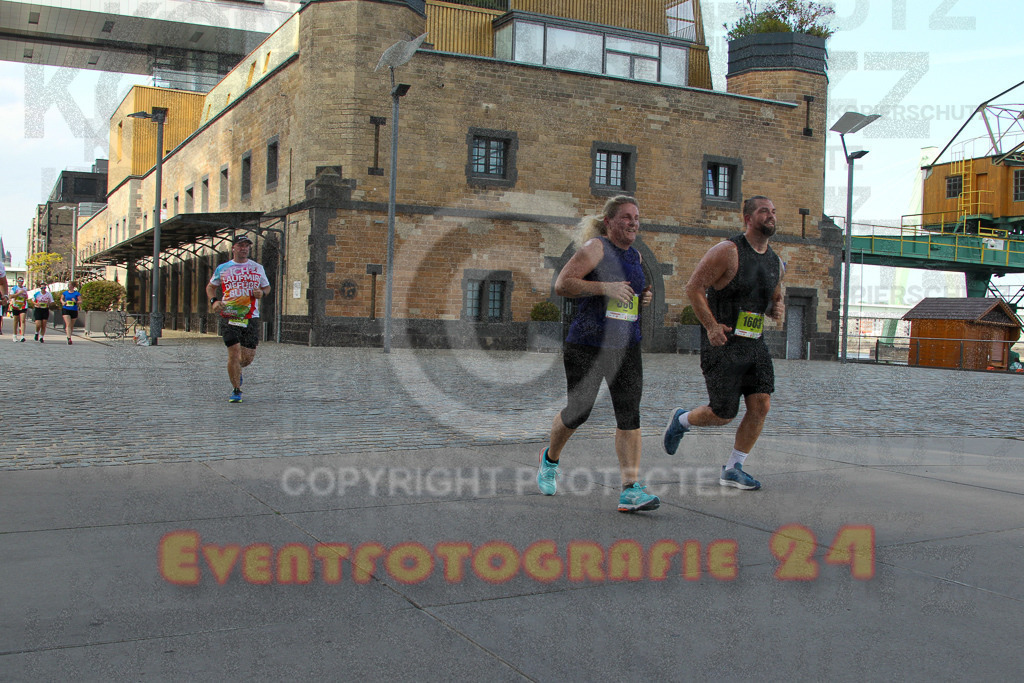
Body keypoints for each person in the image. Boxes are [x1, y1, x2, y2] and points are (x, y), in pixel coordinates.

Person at [537, 195, 659, 513]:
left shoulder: (636, 255)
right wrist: (605, 287)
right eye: (626, 217)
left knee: (629, 414)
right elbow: (563, 284)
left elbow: (630, 292)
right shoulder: (596, 248)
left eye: (636, 218)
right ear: (609, 221)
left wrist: (642, 298)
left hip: (626, 345)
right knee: (578, 412)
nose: (633, 223)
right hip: (587, 344)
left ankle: (630, 490)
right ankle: (550, 460)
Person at [662, 196, 785, 491]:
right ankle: (682, 420)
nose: (770, 215)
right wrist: (711, 326)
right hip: (723, 343)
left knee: (761, 405)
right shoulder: (728, 252)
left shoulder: (776, 262)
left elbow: (775, 296)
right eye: (763, 211)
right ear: (748, 219)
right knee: (722, 414)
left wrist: (776, 307)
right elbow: (693, 287)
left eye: (773, 211)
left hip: (754, 344)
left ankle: (733, 468)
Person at [206, 235, 271, 403]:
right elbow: (211, 287)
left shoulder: (257, 268)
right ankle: (236, 390)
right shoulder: (223, 268)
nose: (244, 248)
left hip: (250, 316)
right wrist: (214, 301)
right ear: (233, 248)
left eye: (246, 246)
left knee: (247, 358)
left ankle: (236, 369)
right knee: (234, 353)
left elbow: (267, 287)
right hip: (229, 315)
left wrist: (262, 293)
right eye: (240, 245)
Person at [10, 276, 29, 342]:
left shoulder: (25, 288)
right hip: (16, 305)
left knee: (22, 320)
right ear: (17, 281)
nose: (21, 282)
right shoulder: (14, 288)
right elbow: (11, 296)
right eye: (19, 281)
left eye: (22, 281)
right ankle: (14, 335)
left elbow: (26, 297)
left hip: (23, 305)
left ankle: (22, 336)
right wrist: (19, 293)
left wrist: (25, 296)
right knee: (16, 320)